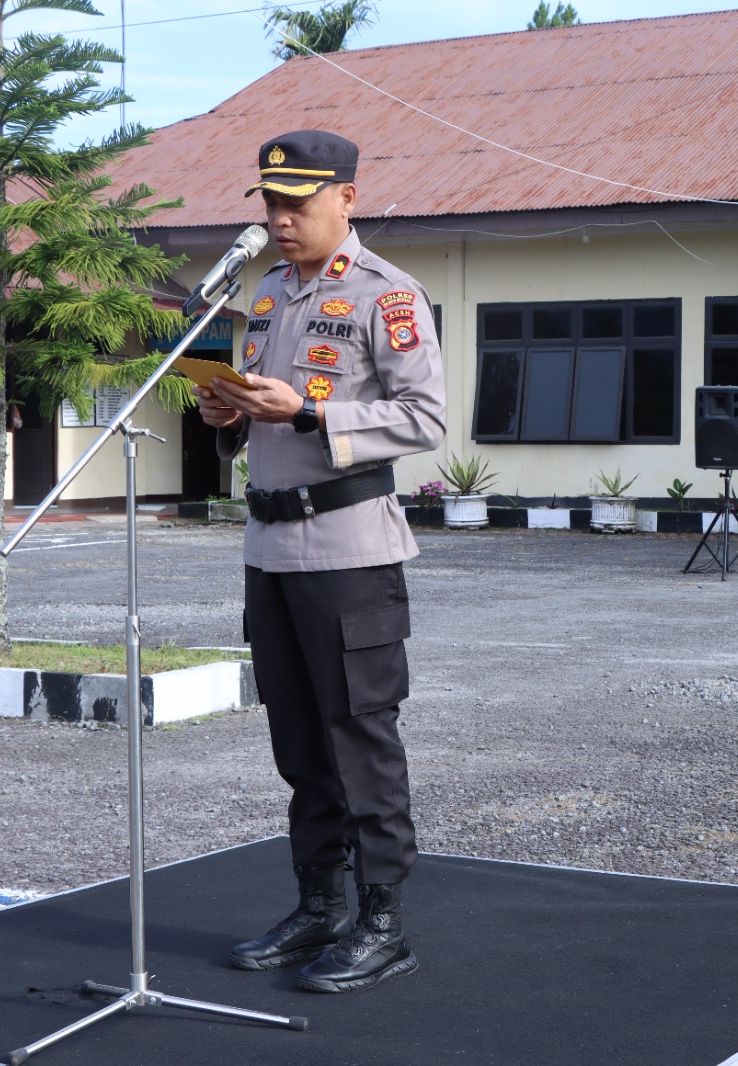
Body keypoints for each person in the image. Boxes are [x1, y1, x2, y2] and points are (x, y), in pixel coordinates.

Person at [193, 129, 446, 994]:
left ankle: (383, 921)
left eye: (298, 202)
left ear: (347, 197)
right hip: (269, 548)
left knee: (359, 737)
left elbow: (424, 420)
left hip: (347, 551)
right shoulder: (265, 296)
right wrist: (227, 412)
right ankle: (318, 904)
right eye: (271, 203)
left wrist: (307, 414)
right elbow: (263, 410)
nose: (281, 218)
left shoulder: (389, 297)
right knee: (297, 740)